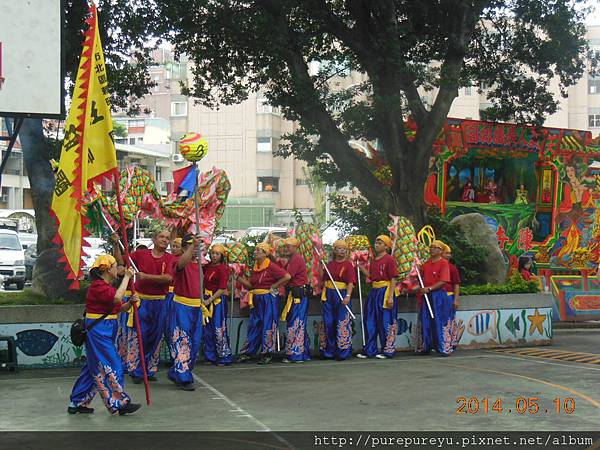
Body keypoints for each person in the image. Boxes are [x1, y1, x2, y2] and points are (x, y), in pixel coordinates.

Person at [68, 254, 141, 415]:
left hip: (105, 329)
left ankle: (77, 401)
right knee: (112, 365)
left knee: (92, 368)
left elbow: (119, 307)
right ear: (108, 269)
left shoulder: (105, 287)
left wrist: (130, 303)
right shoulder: (98, 287)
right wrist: (127, 278)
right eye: (116, 266)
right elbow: (116, 298)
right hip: (99, 331)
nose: (119, 269)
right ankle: (119, 402)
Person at [115, 229, 174, 383]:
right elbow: (121, 261)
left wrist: (146, 277)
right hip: (141, 302)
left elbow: (168, 278)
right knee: (138, 335)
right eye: (161, 236)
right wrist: (116, 243)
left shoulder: (169, 258)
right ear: (154, 239)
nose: (164, 240)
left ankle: (149, 369)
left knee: (155, 337)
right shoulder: (141, 255)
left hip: (160, 302)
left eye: (167, 238)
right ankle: (135, 369)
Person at [237, 243, 290, 365]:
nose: (255, 252)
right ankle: (248, 352)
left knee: (268, 324)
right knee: (255, 325)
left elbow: (287, 277)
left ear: (265, 253)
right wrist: (239, 279)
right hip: (256, 299)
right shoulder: (255, 266)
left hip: (268, 299)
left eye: (258, 250)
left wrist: (274, 286)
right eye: (255, 250)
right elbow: (252, 286)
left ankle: (268, 353)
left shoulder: (271, 266)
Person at [167, 234, 204, 391]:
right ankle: (183, 377)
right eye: (190, 246)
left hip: (197, 308)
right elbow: (182, 263)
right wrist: (191, 248)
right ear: (184, 248)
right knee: (182, 341)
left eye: (196, 246)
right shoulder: (179, 261)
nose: (195, 249)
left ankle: (177, 372)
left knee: (195, 344)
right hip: (182, 306)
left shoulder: (201, 264)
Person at [356, 235, 398, 359]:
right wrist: (361, 268)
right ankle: (370, 350)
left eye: (380, 243)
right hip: (374, 291)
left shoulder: (389, 259)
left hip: (385, 291)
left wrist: (390, 297)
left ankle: (388, 350)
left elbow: (393, 278)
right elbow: (372, 276)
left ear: (386, 246)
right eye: (376, 242)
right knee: (370, 320)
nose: (377, 245)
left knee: (385, 321)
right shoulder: (374, 260)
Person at [414, 240, 453, 356]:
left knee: (438, 321)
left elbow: (444, 280)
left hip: (438, 295)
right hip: (426, 296)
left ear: (440, 251)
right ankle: (426, 346)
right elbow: (419, 277)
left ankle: (442, 347)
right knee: (425, 320)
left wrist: (430, 288)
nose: (432, 249)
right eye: (431, 247)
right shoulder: (426, 264)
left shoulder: (443, 263)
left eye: (436, 248)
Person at [320, 239, 356, 360]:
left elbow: (351, 282)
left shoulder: (348, 265)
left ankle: (343, 351)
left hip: (342, 294)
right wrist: (320, 265)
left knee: (342, 322)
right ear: (334, 250)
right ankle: (329, 351)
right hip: (329, 294)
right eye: (340, 248)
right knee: (328, 322)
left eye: (344, 249)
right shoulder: (329, 264)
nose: (342, 251)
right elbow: (323, 278)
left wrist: (348, 296)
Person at [202, 244, 233, 366]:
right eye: (213, 253)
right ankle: (211, 356)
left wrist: (210, 300)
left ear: (222, 256)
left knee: (218, 328)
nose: (214, 256)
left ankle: (224, 356)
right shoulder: (208, 266)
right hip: (207, 299)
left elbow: (222, 288)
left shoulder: (223, 268)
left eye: (217, 254)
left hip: (217, 301)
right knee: (207, 328)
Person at [281, 237, 311, 363]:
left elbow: (287, 276)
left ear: (295, 247)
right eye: (285, 246)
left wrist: (275, 285)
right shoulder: (293, 259)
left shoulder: (296, 259)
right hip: (295, 294)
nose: (286, 248)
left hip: (298, 295)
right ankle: (302, 353)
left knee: (296, 322)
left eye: (289, 246)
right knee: (298, 322)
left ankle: (296, 354)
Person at [441, 244, 461, 350]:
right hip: (438, 297)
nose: (448, 255)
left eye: (449, 253)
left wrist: (456, 299)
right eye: (446, 253)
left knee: (448, 320)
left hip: (449, 296)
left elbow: (456, 284)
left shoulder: (452, 268)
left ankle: (450, 343)